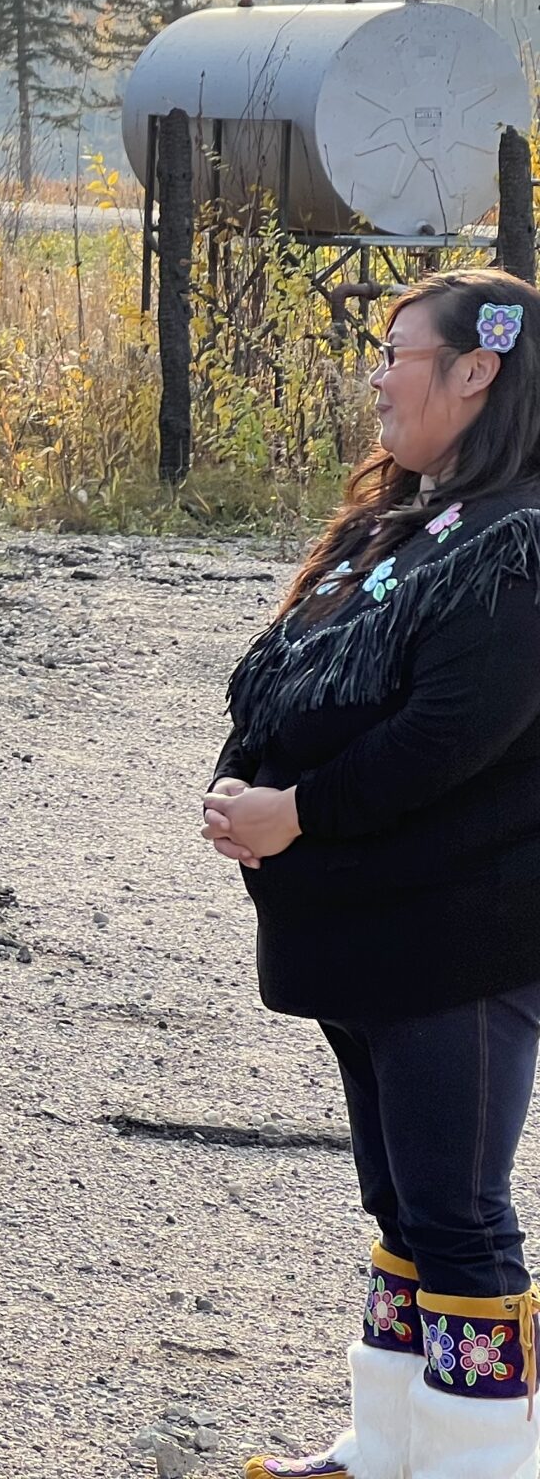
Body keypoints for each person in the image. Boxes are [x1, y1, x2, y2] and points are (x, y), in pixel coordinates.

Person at [212, 270, 540, 1479]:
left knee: (456, 1212)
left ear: (475, 370)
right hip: (369, 928)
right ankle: (390, 1445)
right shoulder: (407, 520)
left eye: (396, 352)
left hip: (460, 936)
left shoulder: (521, 541)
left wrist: (296, 811)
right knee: (402, 1203)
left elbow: (448, 736)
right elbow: (290, 675)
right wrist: (244, 787)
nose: (376, 376)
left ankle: (476, 1460)